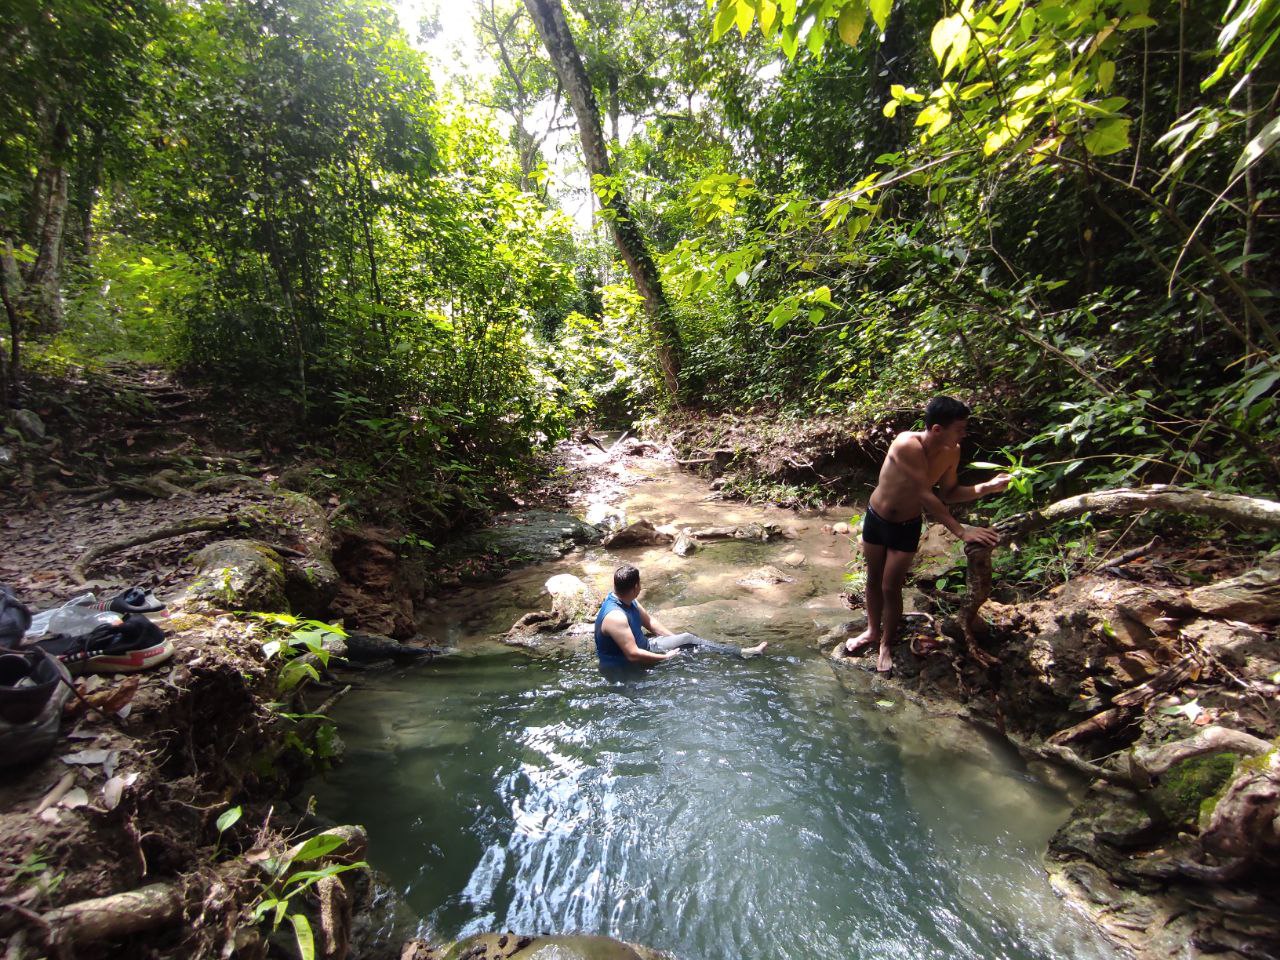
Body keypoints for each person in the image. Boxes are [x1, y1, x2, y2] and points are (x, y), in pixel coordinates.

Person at [844, 397, 1010, 673]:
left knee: (890, 586)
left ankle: (886, 643)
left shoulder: (952, 451)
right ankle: (872, 631)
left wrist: (987, 488)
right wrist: (960, 530)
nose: (963, 434)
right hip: (877, 517)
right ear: (936, 429)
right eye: (959, 428)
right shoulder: (906, 444)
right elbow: (923, 492)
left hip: (906, 525)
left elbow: (948, 492)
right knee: (874, 579)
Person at [594, 564, 767, 667]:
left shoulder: (628, 599)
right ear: (635, 587)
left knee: (687, 641)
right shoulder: (615, 617)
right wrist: (666, 657)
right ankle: (743, 653)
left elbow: (651, 623)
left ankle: (740, 653)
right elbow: (632, 654)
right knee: (688, 642)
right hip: (623, 664)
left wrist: (675, 640)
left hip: (645, 647)